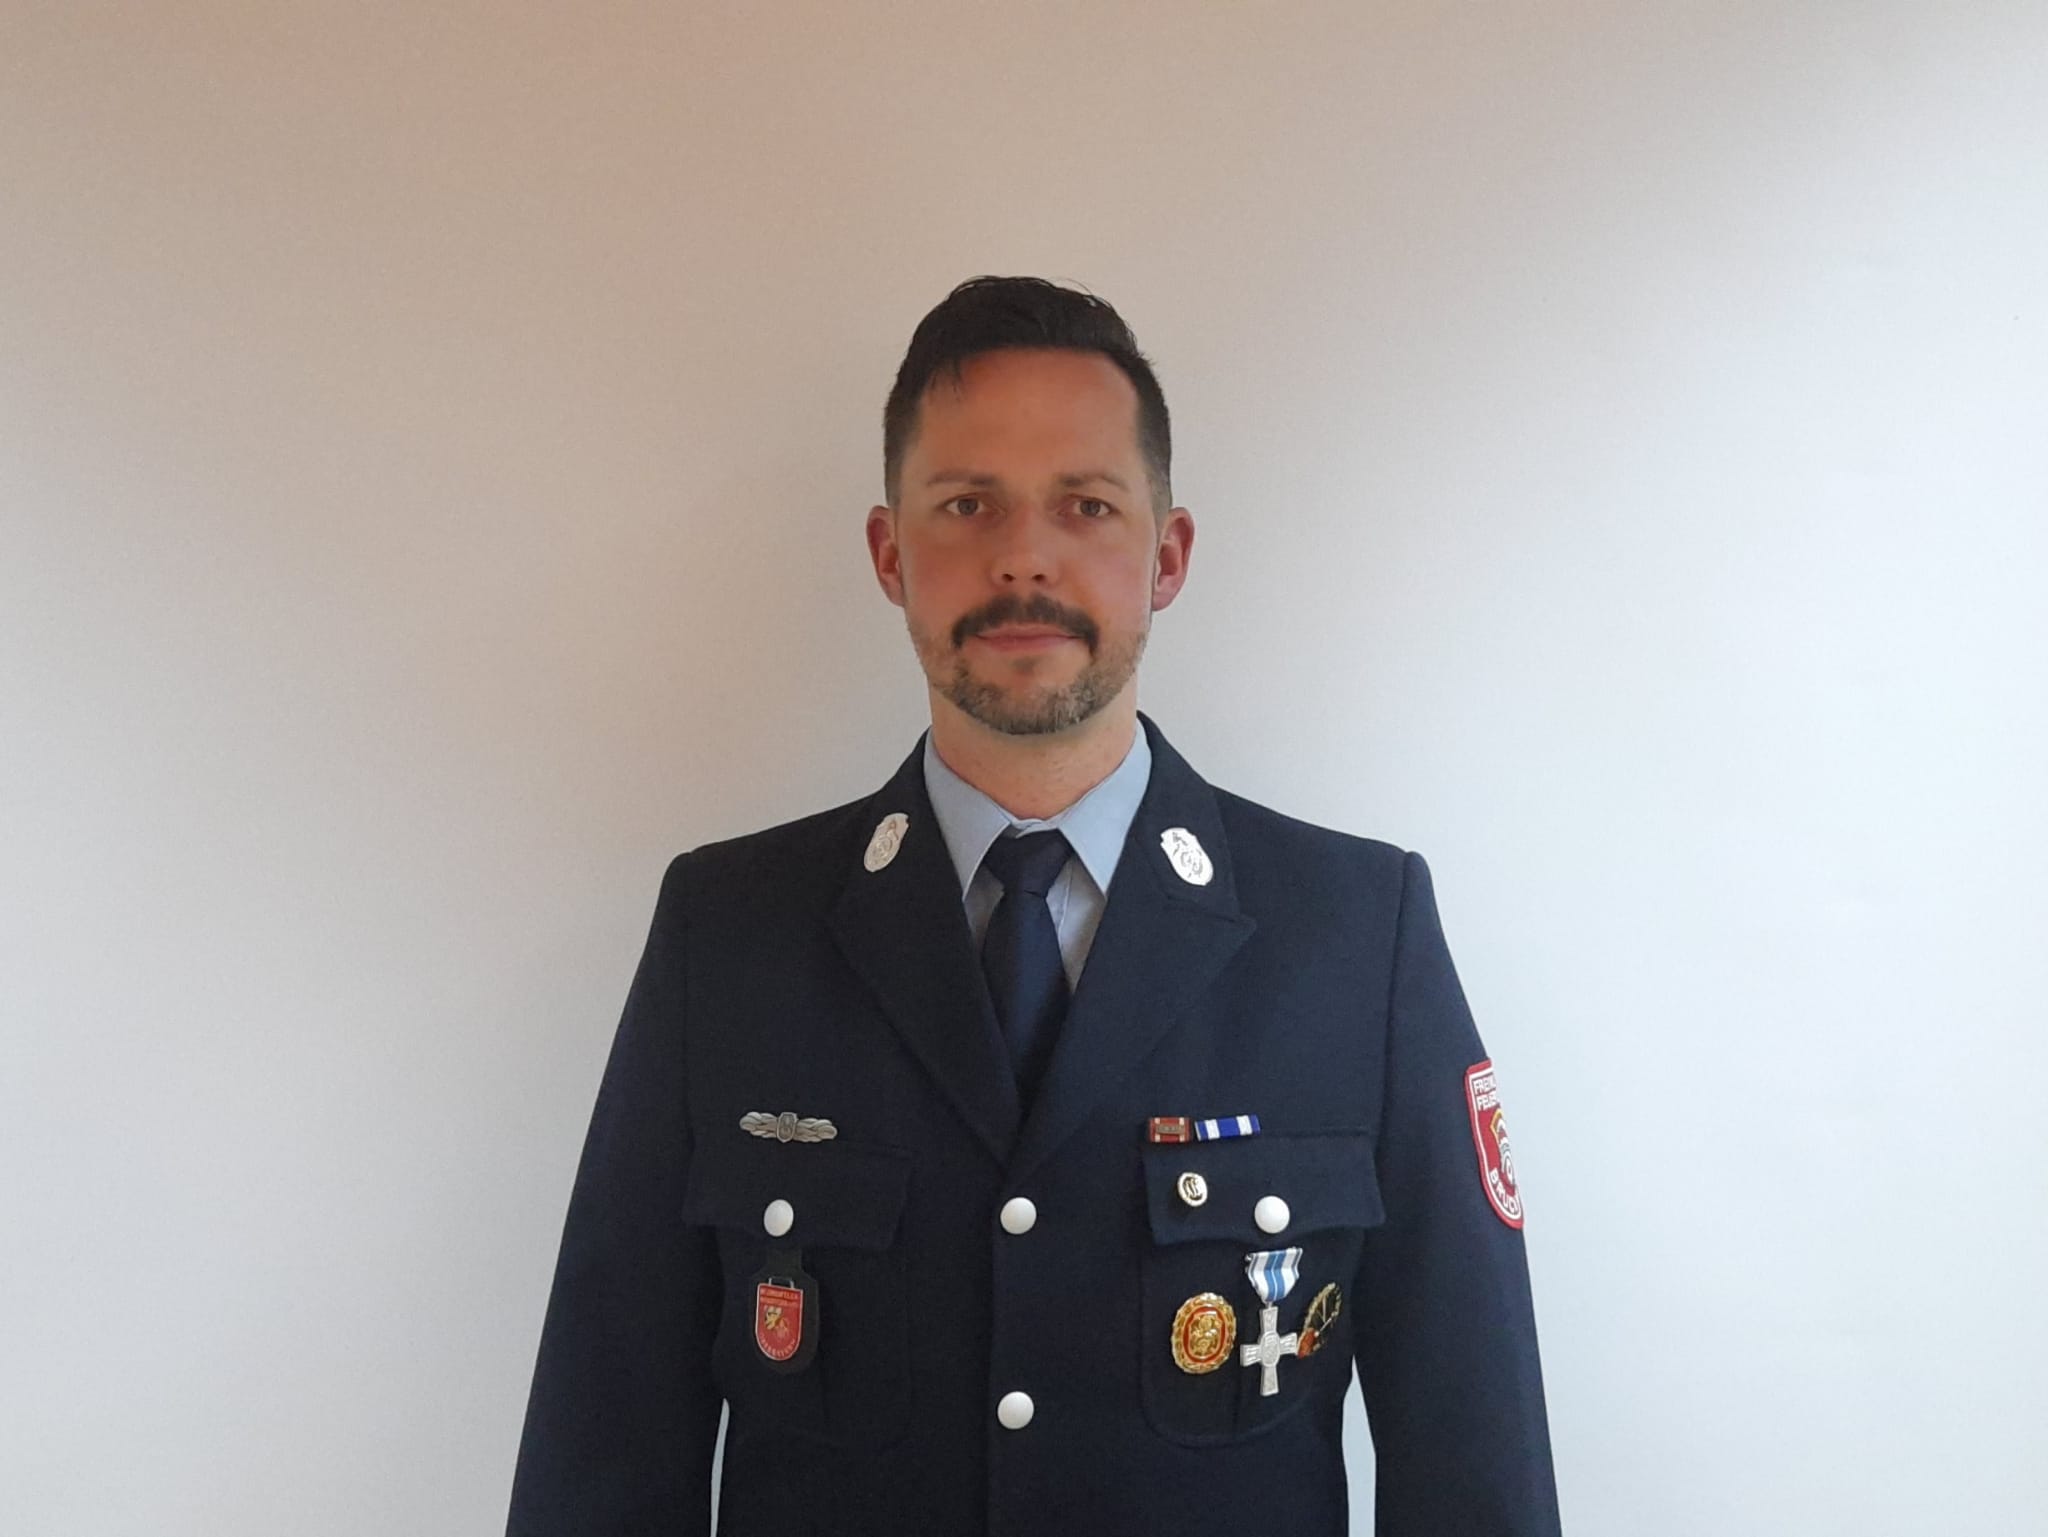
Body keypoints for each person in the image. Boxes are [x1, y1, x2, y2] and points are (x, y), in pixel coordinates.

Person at [505, 275, 1562, 1535]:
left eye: (1085, 505)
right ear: (889, 554)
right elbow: (607, 1444)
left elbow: (1471, 1455)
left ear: (1165, 557)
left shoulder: (1353, 935)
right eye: (966, 504)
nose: (1022, 556)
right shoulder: (729, 936)